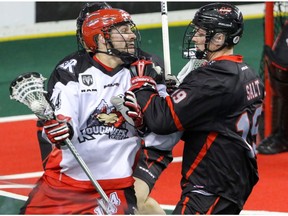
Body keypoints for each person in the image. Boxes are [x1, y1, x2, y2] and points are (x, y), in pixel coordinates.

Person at [22, 4, 180, 215]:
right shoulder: (72, 70)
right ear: (101, 38)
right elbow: (64, 117)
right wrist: (62, 128)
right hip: (64, 183)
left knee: (141, 202)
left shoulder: (146, 67)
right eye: (123, 31)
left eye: (129, 30)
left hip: (117, 183)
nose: (131, 36)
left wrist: (169, 94)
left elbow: (165, 122)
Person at [115, 3, 265, 214]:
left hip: (212, 182)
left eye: (201, 32)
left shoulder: (213, 79)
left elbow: (162, 121)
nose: (195, 37)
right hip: (234, 176)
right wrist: (180, 95)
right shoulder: (247, 73)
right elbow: (212, 119)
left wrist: (143, 85)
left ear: (220, 39)